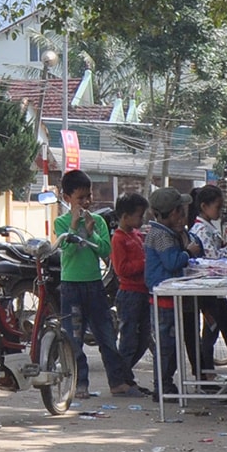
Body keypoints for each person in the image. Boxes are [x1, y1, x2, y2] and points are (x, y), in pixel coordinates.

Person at [56, 168, 134, 397]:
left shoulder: (98, 221)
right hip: (71, 286)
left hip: (94, 285)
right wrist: (73, 225)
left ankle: (117, 382)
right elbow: (66, 251)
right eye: (80, 198)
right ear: (67, 198)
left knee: (106, 335)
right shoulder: (60, 223)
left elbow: (105, 251)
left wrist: (91, 233)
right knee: (73, 338)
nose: (86, 202)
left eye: (88, 196)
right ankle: (80, 384)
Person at [142, 187, 198, 394]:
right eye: (180, 211)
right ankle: (163, 386)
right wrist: (187, 252)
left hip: (166, 296)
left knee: (170, 345)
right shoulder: (162, 236)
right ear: (172, 213)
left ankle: (165, 384)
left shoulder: (161, 232)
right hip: (164, 298)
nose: (183, 216)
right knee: (166, 347)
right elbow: (172, 262)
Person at [187, 183, 227, 378]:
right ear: (204, 206)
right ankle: (206, 371)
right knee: (212, 331)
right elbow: (213, 260)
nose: (220, 211)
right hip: (208, 286)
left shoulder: (209, 227)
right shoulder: (201, 229)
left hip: (216, 287)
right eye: (217, 207)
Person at [108, 193, 151, 391]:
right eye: (139, 216)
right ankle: (121, 380)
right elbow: (121, 269)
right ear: (125, 217)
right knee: (129, 340)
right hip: (129, 294)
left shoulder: (135, 236)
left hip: (142, 292)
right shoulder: (118, 239)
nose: (141, 220)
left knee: (142, 340)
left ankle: (126, 375)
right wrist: (144, 263)